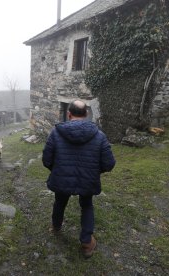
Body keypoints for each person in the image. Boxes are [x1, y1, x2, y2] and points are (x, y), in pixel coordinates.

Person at [42, 100, 116, 258]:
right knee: (87, 206)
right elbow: (109, 163)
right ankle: (86, 242)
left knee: (60, 202)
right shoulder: (99, 135)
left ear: (69, 115)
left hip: (62, 179)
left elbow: (46, 160)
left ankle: (55, 227)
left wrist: (58, 170)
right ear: (87, 114)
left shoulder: (56, 133)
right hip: (88, 180)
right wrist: (94, 171)